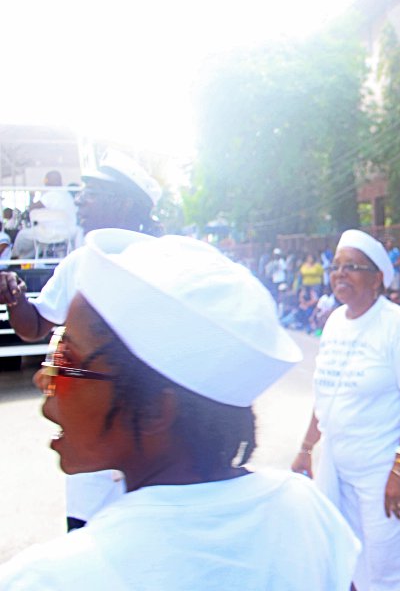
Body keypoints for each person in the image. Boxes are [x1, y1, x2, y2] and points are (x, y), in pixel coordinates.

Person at [0, 230, 359, 589]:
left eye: (67, 359)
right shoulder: (308, 515)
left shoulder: (52, 578)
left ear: (157, 409)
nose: (44, 378)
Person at [0, 150, 161, 532]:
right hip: (89, 423)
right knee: (87, 532)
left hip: (150, 428)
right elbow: (35, 326)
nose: (80, 201)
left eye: (92, 193)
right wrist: (14, 298)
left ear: (123, 203)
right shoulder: (79, 262)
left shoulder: (163, 261)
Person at [292, 229, 400, 591]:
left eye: (352, 266)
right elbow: (328, 392)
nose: (339, 273)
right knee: (345, 562)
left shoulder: (399, 327)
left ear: (376, 279)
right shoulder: (336, 321)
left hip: (383, 472)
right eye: (336, 265)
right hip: (338, 468)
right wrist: (307, 449)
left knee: (390, 572)